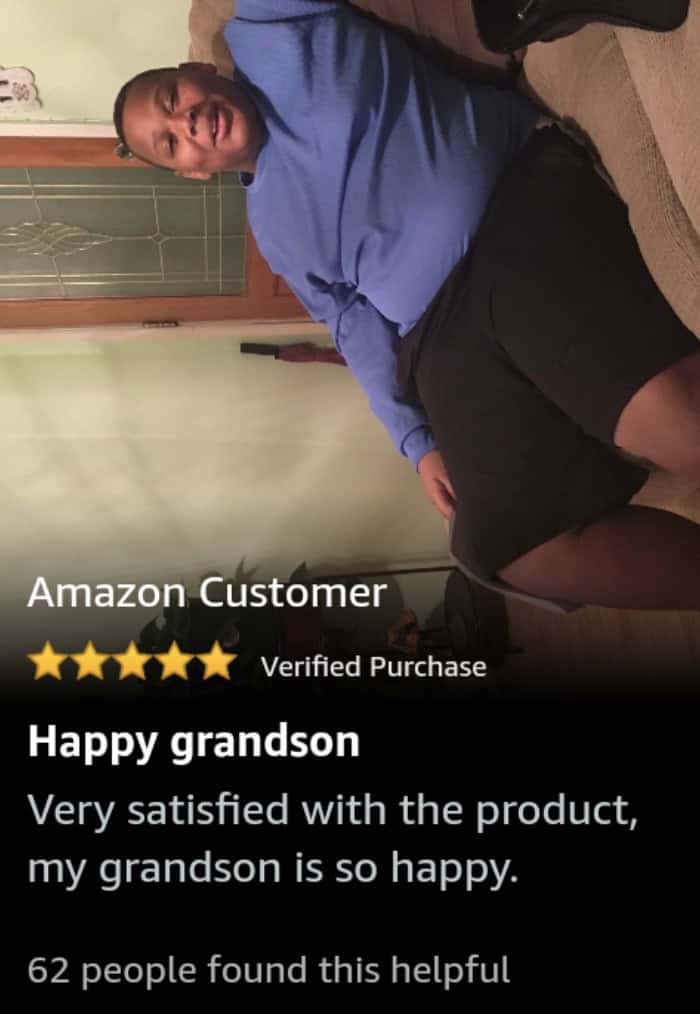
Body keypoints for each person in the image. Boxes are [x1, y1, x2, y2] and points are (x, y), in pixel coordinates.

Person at [113, 0, 700, 611]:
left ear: (198, 70)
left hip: (514, 204)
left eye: (172, 98)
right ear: (192, 174)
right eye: (170, 143)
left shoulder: (266, 29)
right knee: (510, 550)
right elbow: (349, 324)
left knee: (673, 420)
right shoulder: (274, 232)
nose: (186, 122)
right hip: (438, 336)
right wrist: (416, 442)